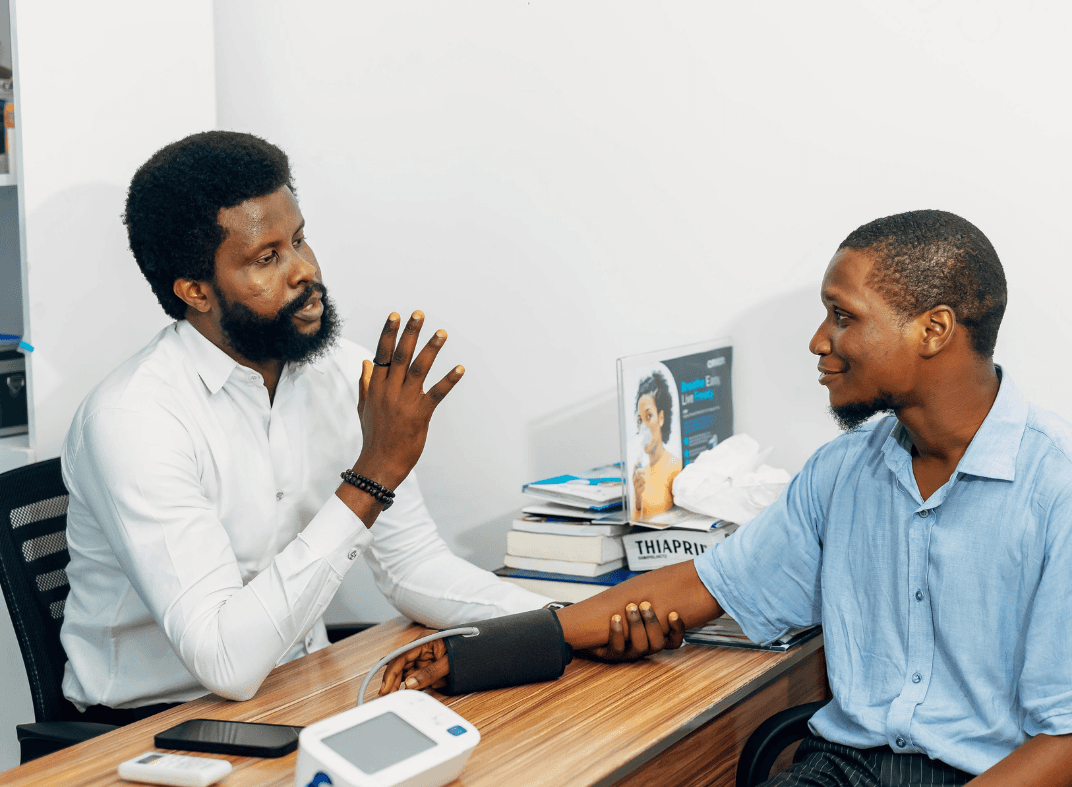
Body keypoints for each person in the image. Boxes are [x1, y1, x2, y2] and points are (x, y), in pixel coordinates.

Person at [387, 210, 1072, 787]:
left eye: (843, 317)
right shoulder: (845, 470)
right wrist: (485, 651)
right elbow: (699, 585)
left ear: (934, 329)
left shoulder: (1068, 491)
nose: (820, 343)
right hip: (843, 773)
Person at [59, 131, 668, 722]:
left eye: (300, 240)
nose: (304, 272)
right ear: (196, 290)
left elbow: (413, 568)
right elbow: (226, 662)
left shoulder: (341, 372)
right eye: (267, 258)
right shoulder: (134, 420)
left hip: (298, 691)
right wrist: (375, 472)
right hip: (146, 734)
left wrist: (571, 621)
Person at [631, 370, 683, 520]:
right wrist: (638, 500)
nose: (644, 427)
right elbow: (634, 526)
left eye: (649, 416)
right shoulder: (640, 475)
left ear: (661, 417)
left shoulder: (675, 467)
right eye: (640, 420)